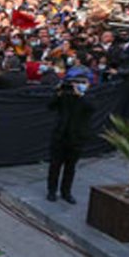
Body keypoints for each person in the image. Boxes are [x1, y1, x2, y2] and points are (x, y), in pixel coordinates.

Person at [47, 76, 94, 204]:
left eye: (82, 82)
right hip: (60, 136)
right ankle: (52, 191)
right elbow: (50, 106)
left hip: (77, 138)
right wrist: (57, 93)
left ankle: (66, 192)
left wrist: (81, 95)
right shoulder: (64, 96)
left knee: (70, 167)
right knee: (55, 165)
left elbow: (91, 108)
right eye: (76, 82)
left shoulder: (88, 97)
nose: (78, 85)